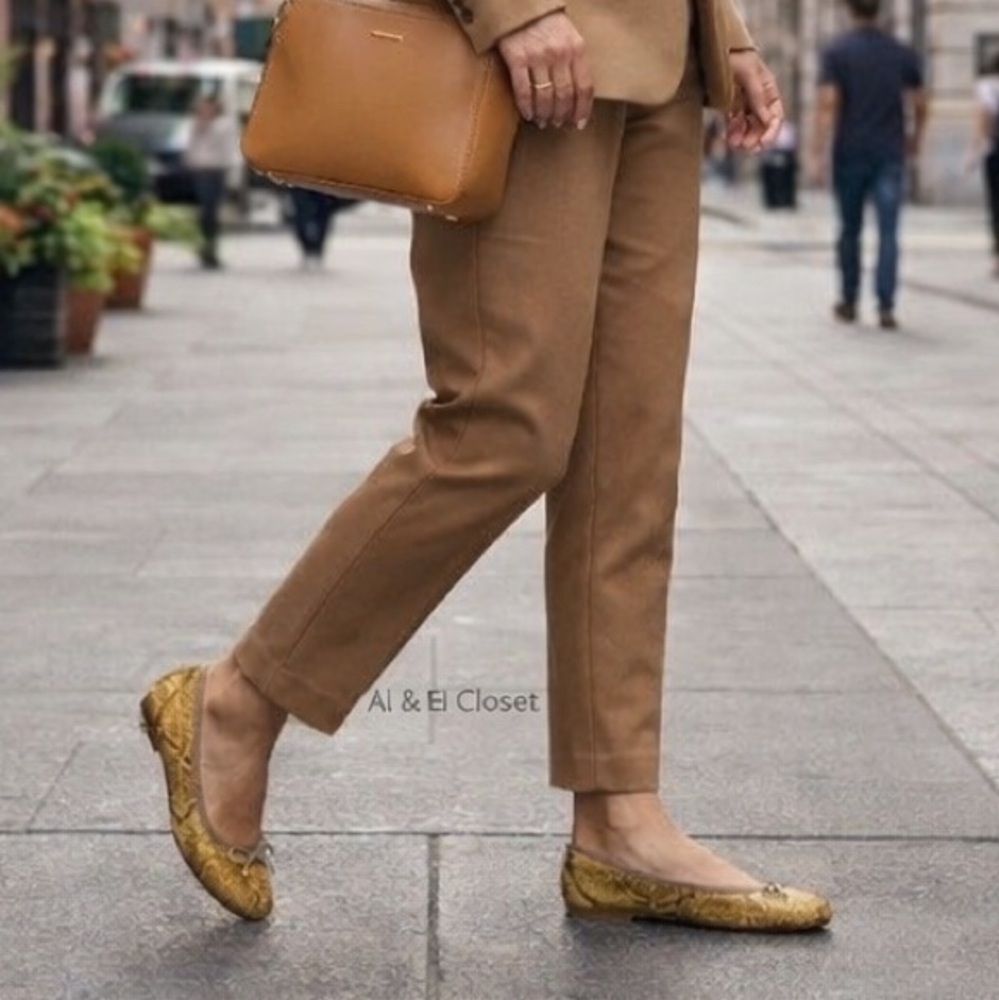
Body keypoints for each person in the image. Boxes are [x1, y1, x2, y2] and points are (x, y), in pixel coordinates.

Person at [141, 0, 833, 933]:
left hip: (663, 63)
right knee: (504, 426)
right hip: (534, 51)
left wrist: (726, 33)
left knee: (626, 457)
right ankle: (237, 701)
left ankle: (618, 818)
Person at [810, 0, 928, 330]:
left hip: (849, 152)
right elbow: (920, 103)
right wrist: (915, 139)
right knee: (889, 231)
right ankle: (886, 305)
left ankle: (849, 300)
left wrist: (817, 152)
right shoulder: (902, 52)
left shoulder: (837, 51)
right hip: (890, 152)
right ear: (881, 11)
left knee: (850, 229)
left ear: (850, 10)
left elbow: (828, 104)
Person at [184, 94, 239, 270]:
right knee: (205, 211)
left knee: (210, 211)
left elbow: (227, 148)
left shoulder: (223, 125)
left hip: (216, 170)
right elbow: (191, 145)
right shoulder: (195, 123)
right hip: (200, 170)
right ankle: (204, 248)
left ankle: (210, 250)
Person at [972, 53, 999, 278]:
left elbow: (983, 120)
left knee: (996, 205)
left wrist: (974, 152)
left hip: (996, 152)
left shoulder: (987, 87)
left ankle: (998, 259)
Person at [287, 187, 357, 269]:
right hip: (303, 185)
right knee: (305, 214)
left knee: (319, 214)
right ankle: (310, 248)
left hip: (319, 186)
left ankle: (314, 249)